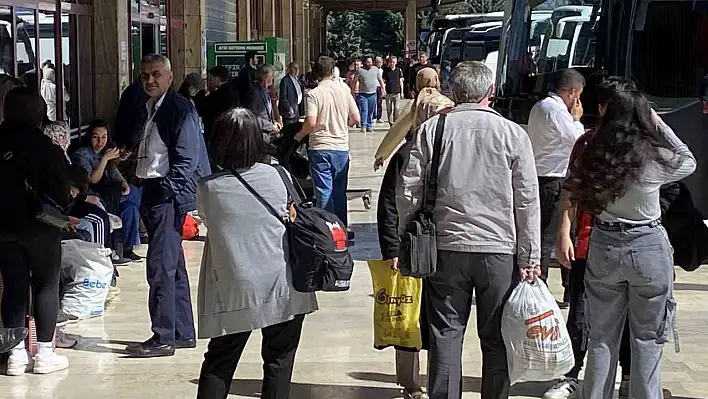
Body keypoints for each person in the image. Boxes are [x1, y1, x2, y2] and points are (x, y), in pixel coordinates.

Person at [396, 61, 541, 399]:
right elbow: (527, 200)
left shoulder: (433, 130)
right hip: (499, 250)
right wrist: (530, 256)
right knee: (496, 337)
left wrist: (410, 234)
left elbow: (408, 190)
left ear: (454, 91)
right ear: (490, 93)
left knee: (445, 333)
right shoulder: (512, 134)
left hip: (445, 248)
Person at [563, 85, 695, 399]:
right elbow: (687, 160)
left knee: (601, 339)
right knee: (647, 340)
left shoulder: (592, 151)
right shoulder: (652, 156)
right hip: (647, 245)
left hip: (605, 243)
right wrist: (657, 122)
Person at [196, 108, 318, 399]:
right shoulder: (278, 175)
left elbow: (208, 220)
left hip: (235, 289)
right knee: (278, 361)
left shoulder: (208, 188)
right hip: (283, 285)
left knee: (219, 361)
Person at [543, 77, 638, 399]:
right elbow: (570, 191)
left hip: (630, 245)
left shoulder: (642, 147)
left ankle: (626, 377)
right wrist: (563, 233)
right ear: (601, 109)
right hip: (587, 242)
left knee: (627, 317)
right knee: (580, 314)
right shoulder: (586, 144)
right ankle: (570, 374)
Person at [122, 54, 211, 358]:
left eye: (156, 74)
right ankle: (182, 332)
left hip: (166, 195)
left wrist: (166, 193)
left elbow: (187, 160)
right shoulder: (151, 107)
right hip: (152, 189)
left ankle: (162, 337)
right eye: (145, 75)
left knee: (159, 266)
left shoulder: (178, 108)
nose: (149, 80)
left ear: (170, 77)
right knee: (173, 267)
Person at [374, 68, 453, 399]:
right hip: (419, 245)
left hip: (434, 244)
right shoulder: (439, 115)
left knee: (421, 314)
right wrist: (392, 248)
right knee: (416, 313)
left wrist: (381, 152)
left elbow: (396, 130)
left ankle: (419, 382)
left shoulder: (418, 109)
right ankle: (414, 382)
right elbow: (389, 205)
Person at [0, 87, 71, 375]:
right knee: (46, 285)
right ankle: (43, 354)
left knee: (13, 286)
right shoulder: (47, 149)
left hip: (3, 229)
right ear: (37, 113)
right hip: (41, 229)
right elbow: (62, 194)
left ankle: (15, 354)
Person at [526, 68, 586, 308]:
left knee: (547, 235)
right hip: (555, 180)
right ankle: (551, 287)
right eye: (578, 95)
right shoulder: (558, 112)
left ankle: (558, 286)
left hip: (541, 176)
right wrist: (577, 119)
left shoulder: (540, 107)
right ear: (572, 92)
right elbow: (577, 141)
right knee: (555, 236)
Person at [295, 56, 359, 226]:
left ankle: (328, 230)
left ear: (315, 73)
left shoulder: (314, 94)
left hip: (320, 147)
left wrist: (299, 136)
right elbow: (355, 118)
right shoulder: (344, 89)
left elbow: (311, 123)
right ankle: (342, 230)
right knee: (339, 192)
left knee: (324, 192)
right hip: (341, 148)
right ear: (332, 71)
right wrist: (339, 124)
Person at [71, 119, 142, 262]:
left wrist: (123, 182)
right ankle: (144, 228)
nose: (100, 141)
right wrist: (104, 159)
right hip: (93, 196)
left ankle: (127, 249)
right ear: (89, 137)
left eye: (103, 137)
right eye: (95, 136)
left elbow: (113, 171)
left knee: (130, 208)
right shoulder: (82, 154)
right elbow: (92, 180)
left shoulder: (105, 152)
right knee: (135, 194)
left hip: (108, 193)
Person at [374, 67, 454, 170]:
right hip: (445, 150)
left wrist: (382, 155)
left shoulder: (415, 104)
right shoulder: (448, 102)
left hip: (422, 151)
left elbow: (398, 130)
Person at [195, 65, 239, 147]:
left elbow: (201, 109)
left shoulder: (216, 95)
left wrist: (201, 91)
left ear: (216, 78)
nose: (209, 81)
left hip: (215, 133)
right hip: (231, 132)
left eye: (210, 78)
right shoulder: (234, 94)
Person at [244, 64, 282, 134]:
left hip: (267, 134)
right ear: (265, 77)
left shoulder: (266, 91)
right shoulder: (255, 93)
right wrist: (270, 126)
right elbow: (252, 116)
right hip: (259, 134)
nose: (273, 77)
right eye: (272, 75)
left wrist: (274, 123)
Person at [354, 55, 386, 133]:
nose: (369, 63)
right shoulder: (359, 70)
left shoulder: (375, 69)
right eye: (368, 62)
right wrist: (354, 89)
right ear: (364, 62)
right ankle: (363, 125)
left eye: (370, 62)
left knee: (371, 110)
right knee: (364, 110)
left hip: (373, 93)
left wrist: (383, 89)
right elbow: (356, 80)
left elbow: (380, 79)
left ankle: (369, 126)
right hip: (363, 94)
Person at [278, 62, 303, 126]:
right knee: (289, 130)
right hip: (289, 111)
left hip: (296, 109)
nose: (297, 70)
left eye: (297, 68)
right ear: (290, 69)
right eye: (294, 68)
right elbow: (283, 96)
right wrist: (289, 108)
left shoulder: (297, 79)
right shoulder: (285, 80)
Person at [383, 55, 405, 126]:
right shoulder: (386, 71)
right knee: (389, 109)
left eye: (394, 62)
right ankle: (390, 122)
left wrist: (402, 92)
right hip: (388, 93)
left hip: (397, 92)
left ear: (396, 62)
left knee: (397, 108)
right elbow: (384, 81)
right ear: (389, 62)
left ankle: (396, 121)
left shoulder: (399, 70)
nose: (392, 63)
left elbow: (401, 81)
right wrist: (384, 90)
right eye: (391, 62)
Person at [375, 56, 385, 124]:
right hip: (373, 87)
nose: (379, 63)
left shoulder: (382, 70)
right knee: (373, 103)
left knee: (379, 102)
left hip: (379, 87)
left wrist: (383, 88)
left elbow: (383, 80)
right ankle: (373, 117)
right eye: (378, 62)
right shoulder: (373, 69)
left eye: (380, 62)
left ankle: (379, 117)